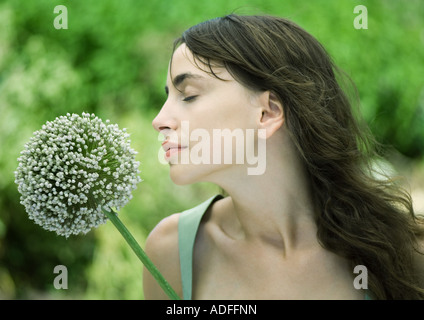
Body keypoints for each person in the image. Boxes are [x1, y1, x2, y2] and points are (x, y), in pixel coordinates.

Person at [144, 14, 424, 300]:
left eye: (188, 95)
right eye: (168, 97)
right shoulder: (173, 252)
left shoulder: (404, 252)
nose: (160, 119)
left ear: (267, 113)